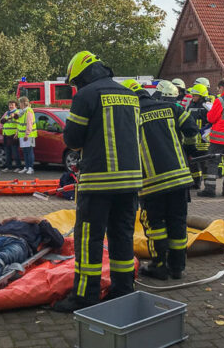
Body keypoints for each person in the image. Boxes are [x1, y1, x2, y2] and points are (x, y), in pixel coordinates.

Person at [54, 51, 142, 312]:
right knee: (122, 236)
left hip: (99, 182)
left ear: (81, 76)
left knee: (89, 240)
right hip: (131, 182)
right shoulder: (130, 94)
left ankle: (85, 296)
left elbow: (73, 140)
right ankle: (123, 290)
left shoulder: (86, 95)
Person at [127, 79, 198, 280]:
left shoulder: (131, 115)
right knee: (177, 221)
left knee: (155, 225)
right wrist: (189, 150)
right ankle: (177, 267)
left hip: (152, 183)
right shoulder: (171, 107)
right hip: (180, 178)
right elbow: (192, 129)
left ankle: (159, 266)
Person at [185, 84, 211, 192]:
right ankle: (196, 182)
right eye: (193, 95)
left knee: (204, 164)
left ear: (201, 96)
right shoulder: (190, 106)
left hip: (203, 140)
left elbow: (211, 122)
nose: (193, 97)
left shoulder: (207, 106)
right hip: (192, 139)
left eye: (196, 95)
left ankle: (208, 185)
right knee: (192, 162)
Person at [0, 101, 22, 172]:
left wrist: (17, 133)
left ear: (16, 106)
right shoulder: (7, 113)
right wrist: (8, 117)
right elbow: (2, 121)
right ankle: (9, 167)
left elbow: (16, 118)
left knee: (15, 152)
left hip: (13, 134)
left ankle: (18, 166)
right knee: (7, 151)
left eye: (12, 105)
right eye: (9, 105)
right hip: (6, 134)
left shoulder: (18, 111)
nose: (10, 106)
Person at [17, 96, 37, 175]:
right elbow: (20, 124)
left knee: (29, 152)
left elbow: (29, 123)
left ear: (23, 103)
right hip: (22, 135)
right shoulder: (22, 111)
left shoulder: (28, 111)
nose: (19, 104)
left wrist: (27, 134)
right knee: (25, 152)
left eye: (20, 103)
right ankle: (26, 167)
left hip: (29, 135)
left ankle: (30, 168)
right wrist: (17, 133)